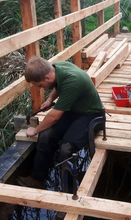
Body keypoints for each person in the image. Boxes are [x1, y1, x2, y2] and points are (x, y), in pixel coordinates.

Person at [17, 56, 104, 189]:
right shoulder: (55, 68)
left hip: (92, 115)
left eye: (40, 85)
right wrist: (50, 99)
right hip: (74, 110)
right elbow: (59, 86)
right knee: (45, 136)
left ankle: (68, 190)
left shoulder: (73, 80)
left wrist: (35, 130)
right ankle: (37, 179)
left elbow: (54, 117)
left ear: (47, 77)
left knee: (66, 149)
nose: (41, 88)